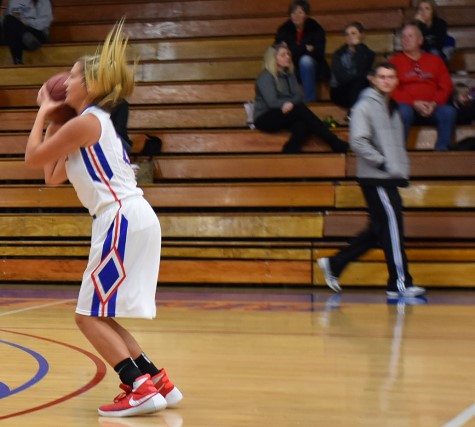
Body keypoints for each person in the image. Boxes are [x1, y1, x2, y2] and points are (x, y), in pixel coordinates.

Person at [24, 21, 183, 417]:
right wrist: (57, 120)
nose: (67, 81)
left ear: (90, 86)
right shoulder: (89, 125)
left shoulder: (89, 121)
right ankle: (155, 380)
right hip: (133, 219)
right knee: (101, 314)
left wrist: (43, 111)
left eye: (73, 76)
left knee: (86, 317)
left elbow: (31, 159)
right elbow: (52, 174)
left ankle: (138, 387)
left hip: (121, 220)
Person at [317, 62, 426, 299]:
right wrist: (383, 163)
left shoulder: (393, 108)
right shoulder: (365, 106)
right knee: (393, 229)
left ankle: (335, 264)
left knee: (380, 231)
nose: (387, 80)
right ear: (373, 80)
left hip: (389, 177)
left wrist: (399, 170)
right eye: (382, 76)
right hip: (377, 177)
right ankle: (399, 283)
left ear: (397, 81)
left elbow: (395, 146)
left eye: (391, 77)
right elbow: (357, 141)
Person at [253, 43, 348, 154]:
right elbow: (272, 102)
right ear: (273, 58)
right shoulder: (266, 77)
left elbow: (298, 96)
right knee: (300, 110)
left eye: (288, 54)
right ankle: (334, 141)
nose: (288, 57)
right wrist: (287, 104)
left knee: (303, 125)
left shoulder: (289, 74)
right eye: (283, 55)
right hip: (265, 117)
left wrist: (290, 104)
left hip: (285, 111)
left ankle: (289, 150)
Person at [389, 23, 456, 151]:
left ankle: (442, 149)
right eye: (403, 37)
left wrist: (434, 103)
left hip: (432, 107)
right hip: (408, 107)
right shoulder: (394, 62)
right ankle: (397, 151)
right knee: (403, 111)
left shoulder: (435, 60)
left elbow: (446, 86)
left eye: (410, 36)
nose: (406, 39)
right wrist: (413, 102)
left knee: (448, 111)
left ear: (420, 40)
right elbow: (392, 88)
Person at [275, 0, 330, 102]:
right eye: (293, 13)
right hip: (291, 65)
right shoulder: (284, 29)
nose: (296, 16)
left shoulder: (316, 28)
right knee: (282, 62)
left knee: (306, 61)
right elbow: (278, 50)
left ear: (306, 14)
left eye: (300, 13)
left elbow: (318, 53)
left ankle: (309, 102)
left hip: (314, 67)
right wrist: (305, 48)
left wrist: (292, 49)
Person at [330, 22, 376, 112]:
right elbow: (341, 78)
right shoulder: (338, 55)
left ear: (361, 35)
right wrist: (362, 75)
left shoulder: (369, 54)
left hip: (360, 89)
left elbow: (362, 68)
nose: (350, 36)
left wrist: (358, 47)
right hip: (340, 91)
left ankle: (354, 113)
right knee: (359, 80)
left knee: (360, 83)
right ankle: (355, 113)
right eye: (347, 34)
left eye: (353, 33)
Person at [2, 0, 53, 64]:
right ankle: (25, 36)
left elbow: (44, 23)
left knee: (13, 26)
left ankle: (17, 61)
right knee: (9, 20)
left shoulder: (43, 1)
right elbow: (7, 20)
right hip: (19, 35)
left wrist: (24, 22)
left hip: (36, 33)